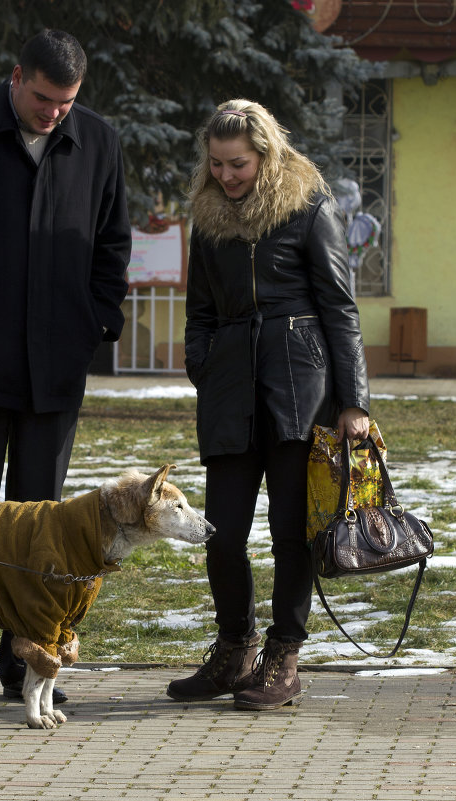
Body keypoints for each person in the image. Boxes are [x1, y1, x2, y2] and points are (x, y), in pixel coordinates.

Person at [0, 28, 131, 707]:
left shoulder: (98, 142)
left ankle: (27, 663)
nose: (53, 114)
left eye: (66, 103)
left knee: (46, 528)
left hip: (55, 369)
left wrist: (95, 324)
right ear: (16, 77)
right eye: (43, 99)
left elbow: (112, 244)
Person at [166, 99, 370, 711]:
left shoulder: (310, 208)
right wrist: (201, 362)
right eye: (218, 164)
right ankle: (235, 651)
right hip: (229, 390)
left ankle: (284, 656)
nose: (227, 176)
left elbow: (340, 307)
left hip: (298, 390)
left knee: (291, 533)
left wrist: (353, 401)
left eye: (239, 164)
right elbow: (199, 309)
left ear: (267, 154)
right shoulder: (206, 217)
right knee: (221, 536)